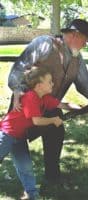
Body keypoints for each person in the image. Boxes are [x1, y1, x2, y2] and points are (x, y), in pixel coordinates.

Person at [7, 18, 88, 186]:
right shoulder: (44, 44)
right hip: (25, 107)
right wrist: (19, 90)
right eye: (84, 41)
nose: (85, 45)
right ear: (74, 35)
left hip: (50, 106)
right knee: (9, 141)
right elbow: (19, 69)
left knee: (56, 129)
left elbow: (85, 81)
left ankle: (52, 176)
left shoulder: (76, 59)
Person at [0, 67, 80, 200]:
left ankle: (32, 195)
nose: (52, 84)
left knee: (25, 167)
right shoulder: (31, 97)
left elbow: (64, 105)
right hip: (7, 133)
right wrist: (53, 120)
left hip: (19, 137)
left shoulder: (45, 98)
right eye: (49, 81)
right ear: (39, 85)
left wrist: (87, 108)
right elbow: (36, 121)